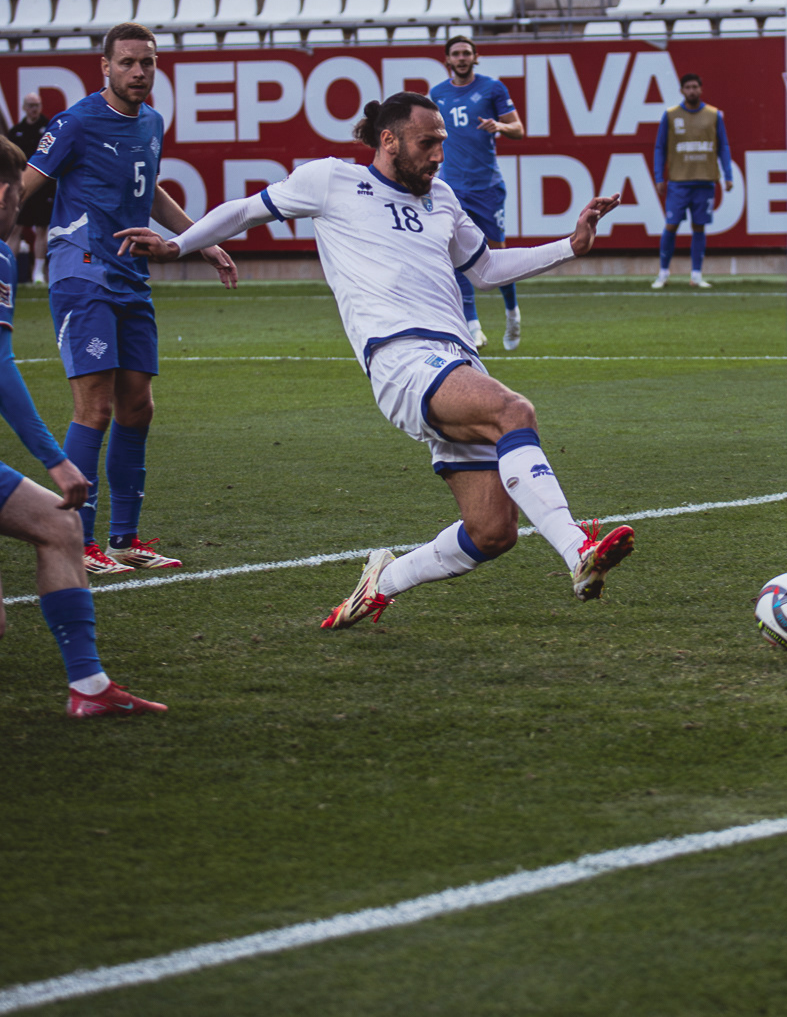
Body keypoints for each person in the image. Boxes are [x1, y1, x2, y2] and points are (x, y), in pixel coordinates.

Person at [118, 91, 636, 628]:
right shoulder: (331, 180)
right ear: (389, 140)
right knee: (513, 411)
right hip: (400, 360)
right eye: (427, 143)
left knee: (492, 532)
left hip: (455, 362)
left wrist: (570, 246)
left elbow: (484, 269)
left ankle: (382, 582)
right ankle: (577, 549)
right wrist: (177, 246)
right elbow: (247, 210)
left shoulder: (443, 198)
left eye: (442, 143)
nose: (439, 155)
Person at [18, 23, 239, 578]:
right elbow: (21, 186)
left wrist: (200, 240)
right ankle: (78, 539)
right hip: (81, 272)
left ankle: (125, 539)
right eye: (127, 62)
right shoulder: (74, 122)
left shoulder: (151, 122)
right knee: (94, 406)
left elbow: (151, 190)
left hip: (130, 274)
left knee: (138, 406)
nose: (139, 72)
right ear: (105, 67)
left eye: (148, 62)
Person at [0, 139, 165, 717]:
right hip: (93, 277)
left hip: (122, 279)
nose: (23, 206)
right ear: (5, 193)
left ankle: (89, 689)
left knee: (58, 526)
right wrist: (55, 460)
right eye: (20, 196)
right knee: (62, 515)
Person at [430, 32, 526, 352]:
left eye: (466, 53)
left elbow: (518, 129)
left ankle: (512, 313)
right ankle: (473, 327)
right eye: (456, 53)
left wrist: (500, 126)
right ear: (447, 59)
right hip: (453, 187)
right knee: (456, 253)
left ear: (475, 57)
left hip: (487, 186)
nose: (461, 58)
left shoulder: (492, 88)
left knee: (496, 254)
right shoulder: (437, 94)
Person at [652, 72, 733, 290]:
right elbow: (660, 147)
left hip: (705, 180)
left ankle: (696, 275)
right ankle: (663, 273)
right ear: (681, 90)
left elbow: (723, 146)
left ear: (701, 89)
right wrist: (659, 177)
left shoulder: (713, 114)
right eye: (687, 87)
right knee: (671, 225)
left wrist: (728, 175)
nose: (691, 91)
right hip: (678, 181)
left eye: (695, 87)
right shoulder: (671, 115)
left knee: (699, 227)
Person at [6, 89, 50, 286]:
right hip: (21, 186)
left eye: (37, 105)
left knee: (42, 228)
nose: (34, 109)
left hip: (44, 187)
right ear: (24, 107)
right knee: (15, 228)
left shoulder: (48, 128)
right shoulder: (16, 131)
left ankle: (38, 273)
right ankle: (10, 270)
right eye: (31, 106)